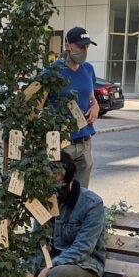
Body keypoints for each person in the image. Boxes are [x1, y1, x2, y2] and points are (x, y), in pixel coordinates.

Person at [4, 151, 106, 277]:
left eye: (57, 184)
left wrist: (48, 270)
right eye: (48, 184)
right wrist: (27, 271)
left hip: (82, 267)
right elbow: (38, 242)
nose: (52, 191)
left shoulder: (92, 204)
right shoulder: (44, 199)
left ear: (68, 180)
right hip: (47, 265)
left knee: (57, 275)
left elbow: (83, 248)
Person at [50, 26, 99, 187]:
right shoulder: (53, 71)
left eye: (86, 47)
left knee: (81, 195)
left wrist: (95, 106)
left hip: (85, 141)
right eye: (80, 46)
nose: (84, 50)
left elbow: (91, 97)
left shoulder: (88, 69)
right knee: (57, 194)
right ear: (67, 46)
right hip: (61, 143)